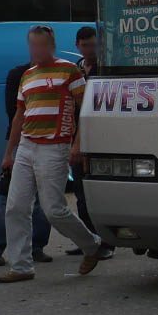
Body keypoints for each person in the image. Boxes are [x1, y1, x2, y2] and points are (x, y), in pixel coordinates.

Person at [0, 25, 103, 283]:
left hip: (54, 147)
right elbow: (19, 116)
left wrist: (77, 144)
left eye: (42, 45)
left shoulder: (69, 71)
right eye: (33, 45)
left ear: (52, 46)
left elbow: (85, 110)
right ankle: (21, 266)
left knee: (53, 210)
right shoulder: (27, 75)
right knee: (15, 207)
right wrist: (9, 152)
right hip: (26, 146)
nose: (37, 50)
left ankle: (91, 244)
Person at [0, 62, 53, 266]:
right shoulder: (18, 74)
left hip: (48, 143)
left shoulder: (58, 74)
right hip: (22, 141)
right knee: (7, 196)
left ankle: (36, 246)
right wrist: (9, 153)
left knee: (45, 199)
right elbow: (14, 112)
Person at [64, 26, 113, 260]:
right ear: (77, 46)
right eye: (85, 45)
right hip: (77, 137)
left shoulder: (107, 69)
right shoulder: (74, 70)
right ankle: (89, 239)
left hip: (101, 138)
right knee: (80, 192)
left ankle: (106, 242)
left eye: (93, 45)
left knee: (98, 192)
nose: (89, 49)